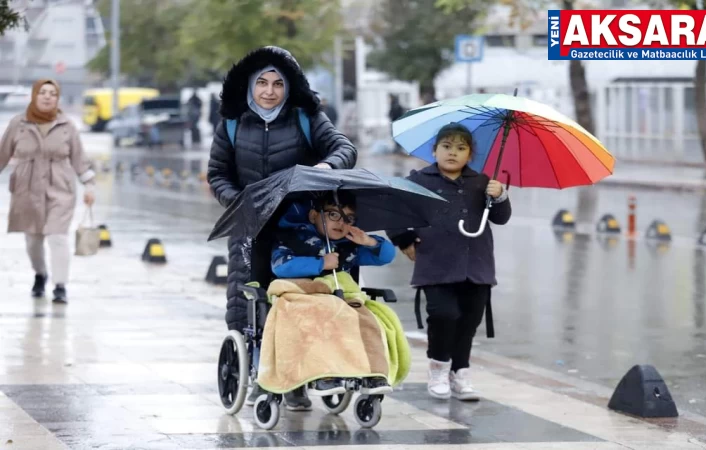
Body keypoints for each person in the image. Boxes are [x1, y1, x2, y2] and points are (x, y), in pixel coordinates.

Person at [207, 46, 357, 411]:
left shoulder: (307, 118)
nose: (270, 91)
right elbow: (217, 175)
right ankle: (264, 374)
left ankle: (298, 379)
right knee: (252, 302)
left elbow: (344, 148)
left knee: (298, 299)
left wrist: (326, 166)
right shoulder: (232, 123)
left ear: (289, 87)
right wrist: (239, 202)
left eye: (278, 83)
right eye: (262, 82)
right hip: (250, 227)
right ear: (250, 86)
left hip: (298, 225)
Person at [386, 123, 511, 401]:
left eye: (461, 148)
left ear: (470, 154)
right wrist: (404, 240)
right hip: (436, 264)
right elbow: (394, 213)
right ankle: (439, 368)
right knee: (444, 314)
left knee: (468, 321)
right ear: (434, 150)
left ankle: (460, 373)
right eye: (446, 146)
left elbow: (501, 218)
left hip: (476, 265)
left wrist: (499, 196)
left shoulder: (482, 182)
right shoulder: (419, 181)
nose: (452, 153)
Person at [270, 191, 395, 396]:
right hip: (305, 299)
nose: (342, 222)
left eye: (349, 218)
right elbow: (280, 267)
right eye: (333, 215)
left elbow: (386, 257)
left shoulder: (348, 245)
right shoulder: (293, 238)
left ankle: (373, 372)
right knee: (320, 317)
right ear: (313, 216)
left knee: (368, 319)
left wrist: (369, 242)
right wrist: (320, 263)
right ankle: (323, 373)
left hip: (341, 301)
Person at [0, 79, 96, 304]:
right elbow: (2, 154)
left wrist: (89, 185)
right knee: (33, 241)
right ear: (34, 96)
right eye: (42, 92)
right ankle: (40, 274)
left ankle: (60, 286)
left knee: (57, 237)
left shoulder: (67, 126)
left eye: (52, 93)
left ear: (57, 98)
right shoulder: (18, 124)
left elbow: (80, 160)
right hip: (26, 189)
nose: (47, 97)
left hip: (60, 188)